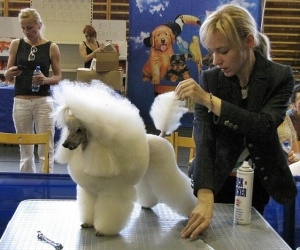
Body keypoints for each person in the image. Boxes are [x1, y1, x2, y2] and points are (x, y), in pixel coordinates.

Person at [175, 4, 297, 239]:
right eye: (212, 52)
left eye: (223, 51)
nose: (216, 60)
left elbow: (263, 126)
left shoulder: (280, 77)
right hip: (218, 177)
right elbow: (205, 139)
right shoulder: (211, 79)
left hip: (260, 178)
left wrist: (209, 100)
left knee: (247, 237)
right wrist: (205, 195)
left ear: (248, 42)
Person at [4, 8, 61, 173]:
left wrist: (45, 80)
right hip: (21, 101)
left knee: (46, 148)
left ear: (39, 25)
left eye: (30, 27)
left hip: (43, 101)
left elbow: (58, 77)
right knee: (25, 148)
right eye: (23, 27)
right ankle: (27, 184)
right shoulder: (16, 44)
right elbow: (7, 75)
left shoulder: (52, 47)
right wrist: (10, 72)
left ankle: (46, 184)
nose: (26, 31)